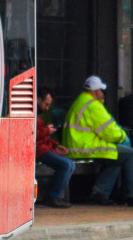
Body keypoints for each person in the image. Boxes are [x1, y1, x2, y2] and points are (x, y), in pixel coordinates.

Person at [62, 75, 133, 206]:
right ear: (96, 91)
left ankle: (100, 194)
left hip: (76, 146)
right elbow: (109, 132)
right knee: (129, 153)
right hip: (85, 148)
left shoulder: (80, 101)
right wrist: (122, 137)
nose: (101, 93)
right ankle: (129, 194)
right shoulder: (93, 105)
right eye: (101, 90)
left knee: (117, 157)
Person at [36, 87, 76, 208]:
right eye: (46, 104)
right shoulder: (30, 115)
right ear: (38, 99)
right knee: (66, 165)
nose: (47, 108)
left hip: (44, 148)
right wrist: (47, 131)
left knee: (71, 164)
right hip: (38, 150)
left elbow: (41, 136)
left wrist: (56, 145)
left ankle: (56, 195)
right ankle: (53, 196)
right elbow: (31, 134)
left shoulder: (37, 117)